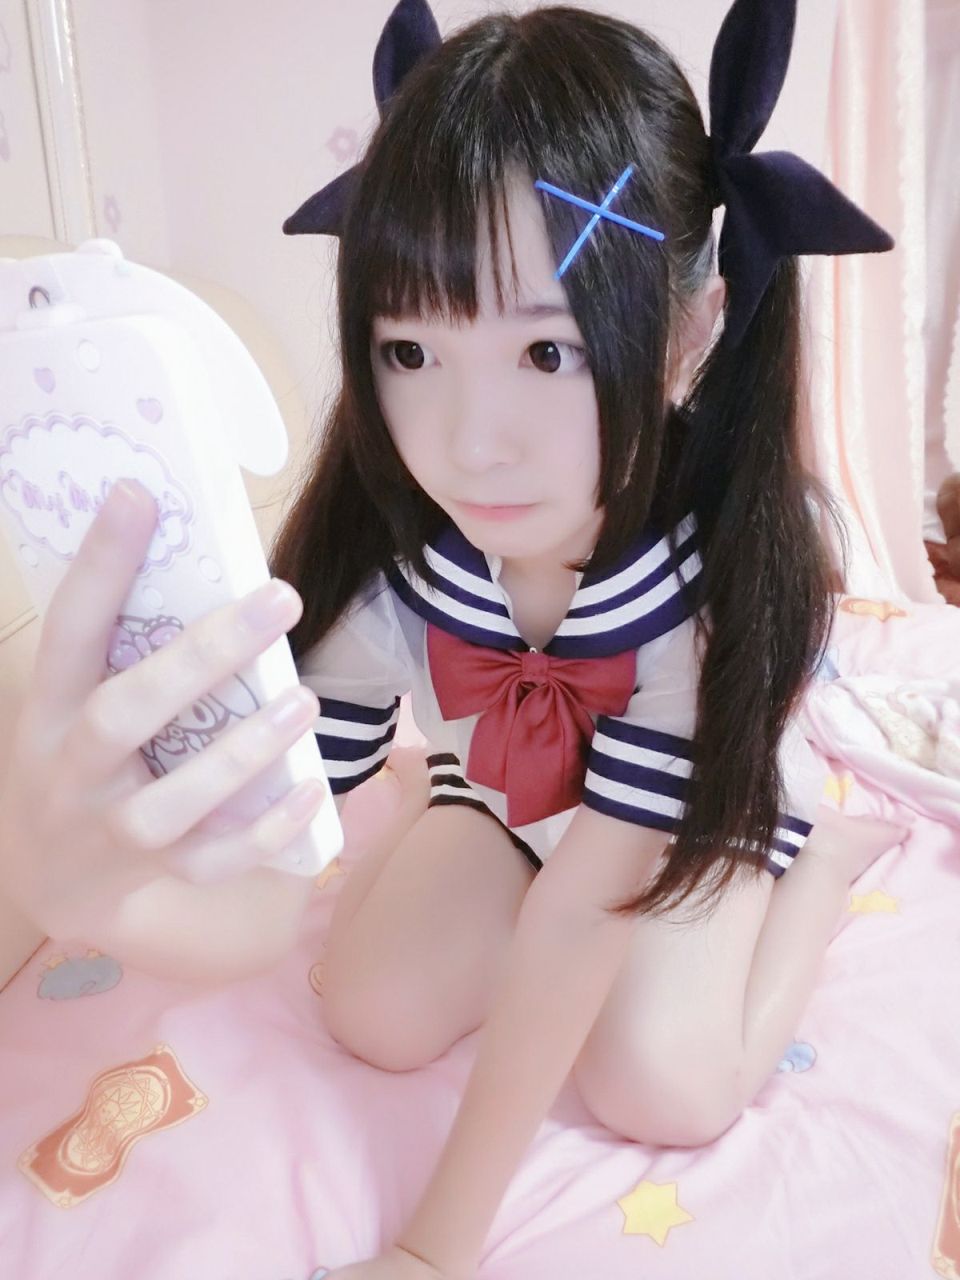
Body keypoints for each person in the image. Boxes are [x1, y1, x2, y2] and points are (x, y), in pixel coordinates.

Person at [0, 1, 906, 1277]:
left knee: (664, 1083)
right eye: (412, 349)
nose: (470, 440)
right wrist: (90, 896)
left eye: (548, 348)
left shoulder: (698, 602)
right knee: (370, 1008)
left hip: (680, 821)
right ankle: (463, 826)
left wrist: (434, 1247)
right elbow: (270, 881)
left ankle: (814, 868)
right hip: (503, 799)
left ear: (691, 333)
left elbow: (585, 913)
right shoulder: (396, 569)